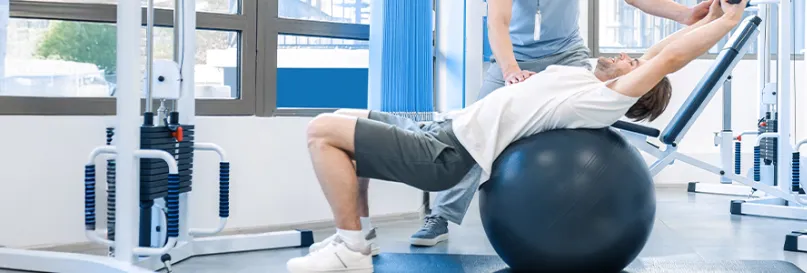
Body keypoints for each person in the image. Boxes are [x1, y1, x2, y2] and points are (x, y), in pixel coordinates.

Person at [285, 0, 750, 271]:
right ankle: (359, 236)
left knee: (320, 131)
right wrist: (706, 16)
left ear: (633, 87)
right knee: (346, 119)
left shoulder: (599, 99)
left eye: (633, 63)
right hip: (442, 127)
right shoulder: (588, 76)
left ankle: (350, 249)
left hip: (445, 152)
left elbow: (667, 61)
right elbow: (662, 48)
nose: (629, 54)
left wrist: (727, 26)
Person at [410, 0, 715, 248]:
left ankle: (582, 206)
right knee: (479, 132)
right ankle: (441, 216)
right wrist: (511, 70)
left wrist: (687, 14)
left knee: (589, 114)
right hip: (512, 57)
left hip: (568, 55)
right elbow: (498, 23)